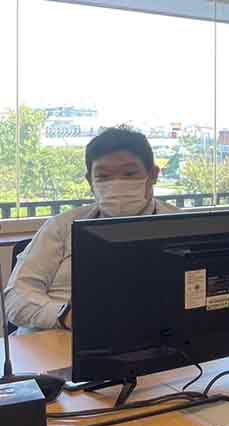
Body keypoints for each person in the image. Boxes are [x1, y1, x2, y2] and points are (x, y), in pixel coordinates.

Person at [3, 127, 179, 332]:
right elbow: (16, 296)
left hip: (155, 337)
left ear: (153, 175)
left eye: (130, 174)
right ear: (90, 182)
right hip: (57, 334)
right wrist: (66, 316)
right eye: (103, 176)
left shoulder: (185, 226)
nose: (117, 184)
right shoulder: (61, 226)